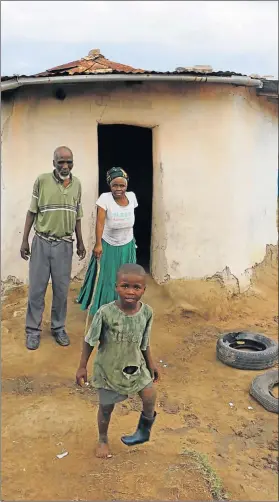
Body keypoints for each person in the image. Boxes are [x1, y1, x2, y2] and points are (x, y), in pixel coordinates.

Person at [76, 263, 159, 459]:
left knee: (149, 396)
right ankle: (103, 439)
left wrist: (151, 364)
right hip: (109, 370)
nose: (130, 291)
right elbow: (90, 340)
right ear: (116, 287)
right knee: (106, 408)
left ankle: (143, 430)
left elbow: (144, 342)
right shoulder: (105, 313)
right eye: (125, 286)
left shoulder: (147, 313)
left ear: (144, 290)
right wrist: (82, 366)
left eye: (136, 287)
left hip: (136, 366)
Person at [20, 146, 86, 351]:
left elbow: (77, 216)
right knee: (37, 290)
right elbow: (32, 212)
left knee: (61, 290)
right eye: (61, 162)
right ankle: (32, 331)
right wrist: (24, 241)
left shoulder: (77, 185)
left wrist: (81, 242)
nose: (65, 166)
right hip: (41, 242)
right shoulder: (42, 181)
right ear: (54, 163)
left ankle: (58, 328)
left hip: (65, 244)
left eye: (69, 162)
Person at [77, 167, 138, 316]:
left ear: (127, 185)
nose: (118, 189)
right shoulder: (105, 198)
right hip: (109, 244)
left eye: (122, 185)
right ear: (109, 185)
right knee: (108, 277)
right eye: (115, 185)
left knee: (125, 277)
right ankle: (104, 307)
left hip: (127, 244)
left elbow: (131, 219)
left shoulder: (132, 197)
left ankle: (124, 305)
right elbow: (100, 223)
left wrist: (132, 241)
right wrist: (98, 244)